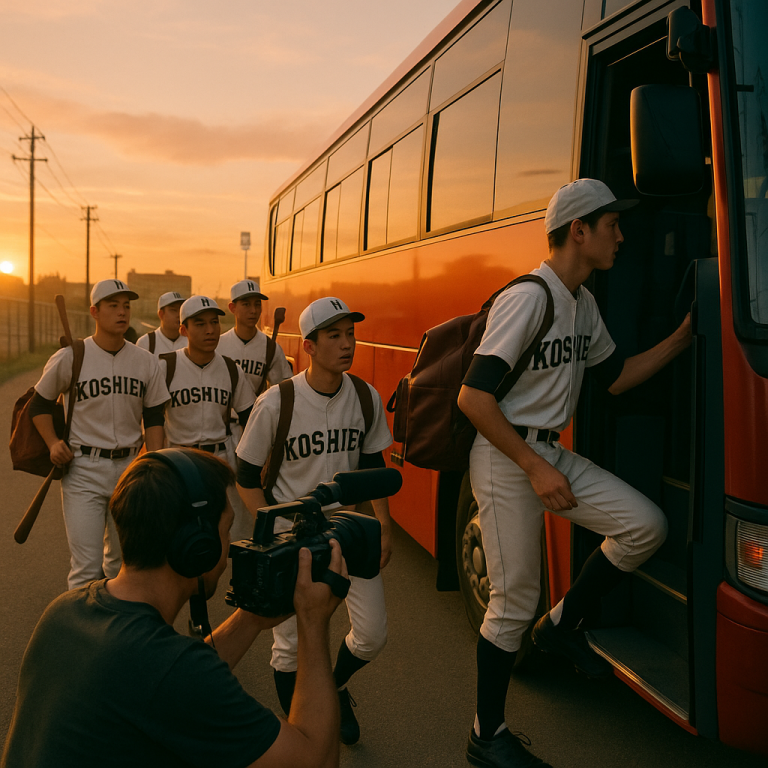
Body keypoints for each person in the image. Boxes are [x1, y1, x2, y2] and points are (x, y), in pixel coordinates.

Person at [457, 179, 692, 768]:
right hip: (508, 457)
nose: (621, 234)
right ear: (578, 231)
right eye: (612, 224)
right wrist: (535, 468)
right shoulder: (530, 297)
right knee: (513, 603)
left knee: (645, 525)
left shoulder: (583, 303)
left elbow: (614, 377)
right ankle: (486, 736)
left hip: (547, 454)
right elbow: (473, 398)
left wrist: (687, 336)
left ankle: (560, 627)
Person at [1, 448, 346, 768]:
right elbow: (315, 759)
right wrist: (313, 622)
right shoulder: (171, 669)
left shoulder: (64, 612)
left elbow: (162, 684)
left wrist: (251, 620)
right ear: (198, 547)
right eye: (226, 531)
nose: (228, 550)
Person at [236, 297, 394, 746]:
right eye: (334, 336)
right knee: (288, 646)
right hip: (295, 533)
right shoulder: (278, 401)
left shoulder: (364, 396)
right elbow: (246, 475)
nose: (347, 344)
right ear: (309, 346)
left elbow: (372, 466)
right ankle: (300, 737)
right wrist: (273, 529)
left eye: (350, 334)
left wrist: (382, 524)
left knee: (371, 635)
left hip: (346, 527)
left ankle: (335, 685)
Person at [29, 279, 169, 590]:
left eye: (126, 305)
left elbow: (154, 415)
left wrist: (155, 462)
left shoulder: (145, 361)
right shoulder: (72, 355)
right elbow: (38, 404)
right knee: (85, 568)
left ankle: (111, 630)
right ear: (95, 311)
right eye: (113, 305)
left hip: (130, 468)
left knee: (121, 565)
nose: (122, 312)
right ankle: (82, 635)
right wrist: (53, 443)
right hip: (83, 468)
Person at [160, 295, 256, 540]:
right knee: (182, 538)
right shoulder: (165, 366)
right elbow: (150, 418)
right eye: (200, 324)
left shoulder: (231, 368)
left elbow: (250, 419)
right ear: (184, 329)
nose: (210, 330)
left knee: (236, 537)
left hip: (221, 459)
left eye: (214, 322)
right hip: (179, 460)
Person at [218, 280, 293, 395]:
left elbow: (283, 391)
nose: (253, 311)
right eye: (246, 304)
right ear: (232, 308)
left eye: (257, 304)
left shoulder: (271, 348)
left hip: (256, 411)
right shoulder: (219, 345)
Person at [137, 291, 188, 355]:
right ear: (161, 314)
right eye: (173, 310)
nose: (179, 315)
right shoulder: (146, 343)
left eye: (181, 310)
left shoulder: (191, 341)